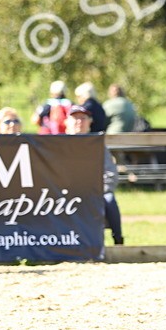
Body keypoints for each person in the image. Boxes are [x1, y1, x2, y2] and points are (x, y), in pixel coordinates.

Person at [66, 104, 123, 245]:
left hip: (96, 190)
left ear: (90, 122)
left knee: (109, 200)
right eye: (75, 118)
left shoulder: (98, 146)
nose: (79, 121)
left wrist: (99, 190)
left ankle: (118, 240)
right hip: (65, 192)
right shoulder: (58, 145)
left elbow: (111, 173)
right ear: (67, 122)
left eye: (83, 118)